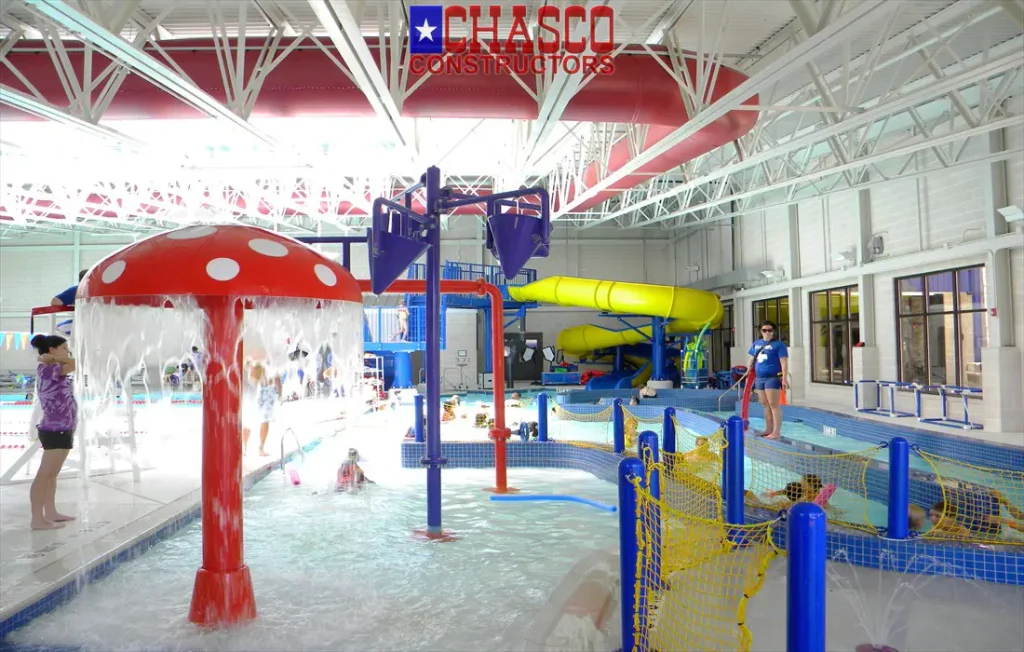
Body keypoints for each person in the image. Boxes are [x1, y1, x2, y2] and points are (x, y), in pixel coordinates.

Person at [29, 334, 78, 530]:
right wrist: (53, 359)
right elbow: (75, 363)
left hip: (62, 428)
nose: (67, 352)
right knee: (44, 474)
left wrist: (53, 358)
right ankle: (36, 519)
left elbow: (73, 363)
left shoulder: (51, 366)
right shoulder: (49, 369)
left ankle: (50, 512)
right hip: (54, 429)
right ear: (52, 349)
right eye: (64, 348)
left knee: (52, 474)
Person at [747, 320, 790, 440]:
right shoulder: (756, 343)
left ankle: (776, 432)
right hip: (759, 378)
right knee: (765, 404)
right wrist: (748, 371)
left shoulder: (779, 345)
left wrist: (784, 378)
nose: (767, 332)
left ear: (773, 331)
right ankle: (768, 429)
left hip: (773, 377)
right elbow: (751, 358)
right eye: (764, 330)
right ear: (761, 331)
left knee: (773, 404)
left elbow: (784, 362)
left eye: (770, 330)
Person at [242, 360, 281, 457]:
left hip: (260, 389)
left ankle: (247, 448)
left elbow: (277, 378)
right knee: (260, 420)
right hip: (264, 389)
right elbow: (277, 379)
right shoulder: (269, 360)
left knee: (252, 420)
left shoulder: (258, 360)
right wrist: (280, 393)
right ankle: (255, 448)